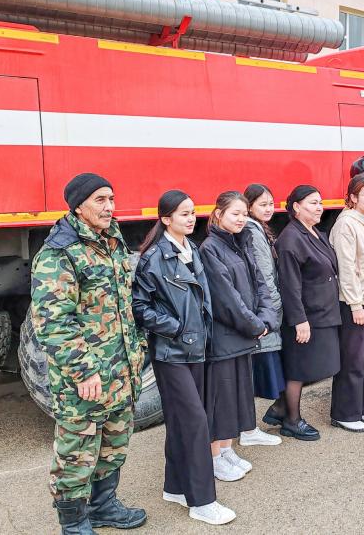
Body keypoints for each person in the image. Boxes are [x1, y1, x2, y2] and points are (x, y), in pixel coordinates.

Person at [31, 173, 147, 534]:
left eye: (111, 198)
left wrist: (137, 352)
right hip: (86, 379)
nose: (109, 207)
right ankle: (74, 522)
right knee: (76, 453)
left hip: (120, 371)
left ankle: (102, 507)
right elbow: (53, 322)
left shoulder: (111, 242)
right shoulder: (59, 254)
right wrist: (84, 372)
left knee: (113, 444)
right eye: (100, 200)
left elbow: (124, 304)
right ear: (78, 205)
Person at [132, 190, 235, 525]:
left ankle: (175, 486)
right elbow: (140, 308)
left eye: (192, 213)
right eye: (183, 214)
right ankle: (203, 501)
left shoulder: (192, 249)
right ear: (165, 219)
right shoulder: (154, 257)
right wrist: (175, 328)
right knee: (195, 422)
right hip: (171, 352)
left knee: (183, 420)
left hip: (197, 348)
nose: (191, 219)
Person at [200, 192, 278, 482]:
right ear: (218, 214)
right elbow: (226, 299)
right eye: (235, 213)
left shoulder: (241, 242)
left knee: (236, 397)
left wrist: (266, 318)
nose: (241, 218)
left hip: (243, 336)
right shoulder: (210, 248)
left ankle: (227, 448)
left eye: (244, 213)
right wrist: (255, 325)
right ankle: (214, 456)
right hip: (224, 338)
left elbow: (260, 285)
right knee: (220, 400)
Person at [276, 185, 342, 441]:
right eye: (313, 203)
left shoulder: (314, 232)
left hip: (321, 310)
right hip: (306, 314)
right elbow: (290, 285)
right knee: (298, 368)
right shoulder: (290, 239)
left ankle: (280, 408)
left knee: (307, 365)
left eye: (320, 202)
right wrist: (299, 320)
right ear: (296, 207)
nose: (319, 207)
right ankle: (292, 420)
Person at [329, 174, 364, 432]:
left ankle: (361, 405)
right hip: (353, 301)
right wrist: (355, 304)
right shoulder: (346, 224)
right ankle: (344, 411)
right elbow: (346, 267)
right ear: (352, 198)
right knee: (352, 358)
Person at [241, 184, 285, 445]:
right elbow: (265, 276)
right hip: (267, 309)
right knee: (253, 371)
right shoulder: (253, 231)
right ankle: (248, 429)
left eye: (271, 204)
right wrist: (275, 309)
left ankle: (252, 426)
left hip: (263, 308)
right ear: (249, 206)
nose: (269, 209)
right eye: (263, 205)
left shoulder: (257, 229)